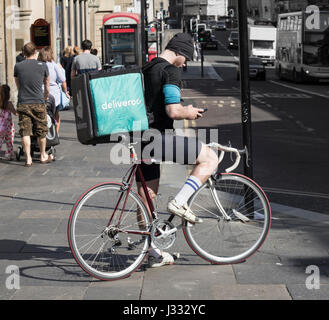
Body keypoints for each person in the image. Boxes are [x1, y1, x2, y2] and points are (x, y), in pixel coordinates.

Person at [137, 33, 219, 267]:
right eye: (188, 59)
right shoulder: (170, 70)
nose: (186, 64)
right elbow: (173, 110)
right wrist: (190, 112)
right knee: (209, 158)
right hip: (158, 138)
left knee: (146, 200)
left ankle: (151, 253)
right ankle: (180, 202)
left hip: (138, 138)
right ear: (180, 52)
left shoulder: (147, 67)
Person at [14, 42, 53, 166]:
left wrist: (23, 92)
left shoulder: (18, 66)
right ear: (35, 52)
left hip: (24, 102)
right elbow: (47, 84)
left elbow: (18, 84)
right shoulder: (43, 65)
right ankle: (42, 155)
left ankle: (28, 158)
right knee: (41, 130)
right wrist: (46, 96)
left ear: (23, 53)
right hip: (38, 101)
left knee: (25, 131)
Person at [38, 46, 70, 133]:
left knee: (42, 114)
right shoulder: (54, 65)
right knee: (55, 114)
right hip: (54, 94)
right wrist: (65, 91)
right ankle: (55, 134)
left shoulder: (38, 65)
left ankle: (43, 133)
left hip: (40, 93)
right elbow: (63, 80)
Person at [0, 84, 17, 160]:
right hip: (8, 127)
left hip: (0, 127)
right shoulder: (9, 104)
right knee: (9, 142)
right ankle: (9, 155)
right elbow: (15, 113)